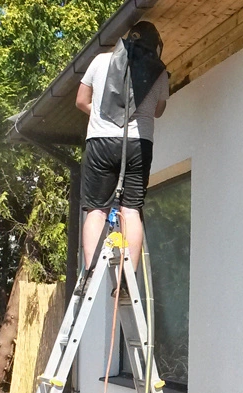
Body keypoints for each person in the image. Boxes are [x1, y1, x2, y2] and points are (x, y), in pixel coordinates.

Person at [75, 21, 169, 271]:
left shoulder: (100, 61)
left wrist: (100, 117)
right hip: (139, 143)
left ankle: (91, 273)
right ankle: (127, 278)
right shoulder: (159, 71)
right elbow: (158, 111)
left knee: (96, 210)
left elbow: (81, 100)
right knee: (130, 211)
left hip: (100, 141)